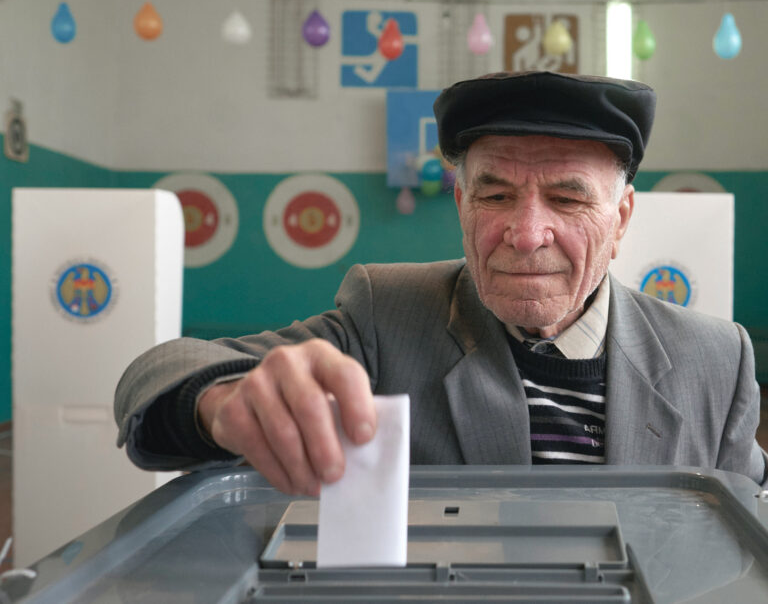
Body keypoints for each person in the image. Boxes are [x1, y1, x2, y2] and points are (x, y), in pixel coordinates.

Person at [115, 71, 767, 496]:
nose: (525, 231)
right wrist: (223, 401)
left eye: (567, 200)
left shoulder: (716, 358)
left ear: (620, 220)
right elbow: (160, 369)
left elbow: (745, 537)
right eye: (496, 193)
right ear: (462, 206)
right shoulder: (386, 317)